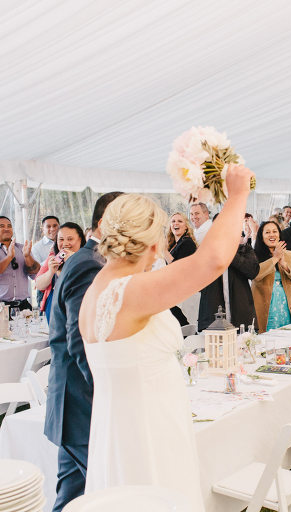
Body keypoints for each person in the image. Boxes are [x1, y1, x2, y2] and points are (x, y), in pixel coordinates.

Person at [76, 166, 253, 510]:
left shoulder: (98, 290)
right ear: (152, 242)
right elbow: (213, 260)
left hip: (118, 425)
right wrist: (238, 196)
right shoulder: (129, 290)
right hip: (147, 431)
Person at [44, 191, 123, 512]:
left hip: (76, 405)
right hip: (81, 403)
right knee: (112, 491)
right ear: (105, 224)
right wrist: (112, 392)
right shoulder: (89, 265)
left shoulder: (94, 261)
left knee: (72, 497)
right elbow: (82, 341)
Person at [197, 230, 260, 332]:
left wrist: (230, 254)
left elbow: (253, 272)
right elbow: (196, 282)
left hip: (242, 318)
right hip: (212, 319)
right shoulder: (205, 251)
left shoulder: (245, 249)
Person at [252, 221, 291, 331]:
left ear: (279, 235)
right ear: (261, 237)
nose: (272, 235)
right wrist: (275, 259)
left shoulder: (288, 254)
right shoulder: (254, 255)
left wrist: (284, 264)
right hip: (265, 305)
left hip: (286, 304)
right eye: (267, 232)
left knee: (287, 337)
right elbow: (255, 275)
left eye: (275, 231)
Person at [0, 216, 40, 310]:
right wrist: (9, 257)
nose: (6, 228)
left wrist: (27, 256)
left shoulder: (22, 248)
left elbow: (35, 274)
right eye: (2, 226)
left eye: (9, 226)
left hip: (23, 306)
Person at [36, 223, 86, 323]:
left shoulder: (87, 258)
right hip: (55, 310)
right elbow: (39, 285)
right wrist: (50, 272)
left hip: (78, 310)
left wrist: (74, 261)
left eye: (70, 239)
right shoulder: (54, 258)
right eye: (61, 239)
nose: (65, 243)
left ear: (80, 239)